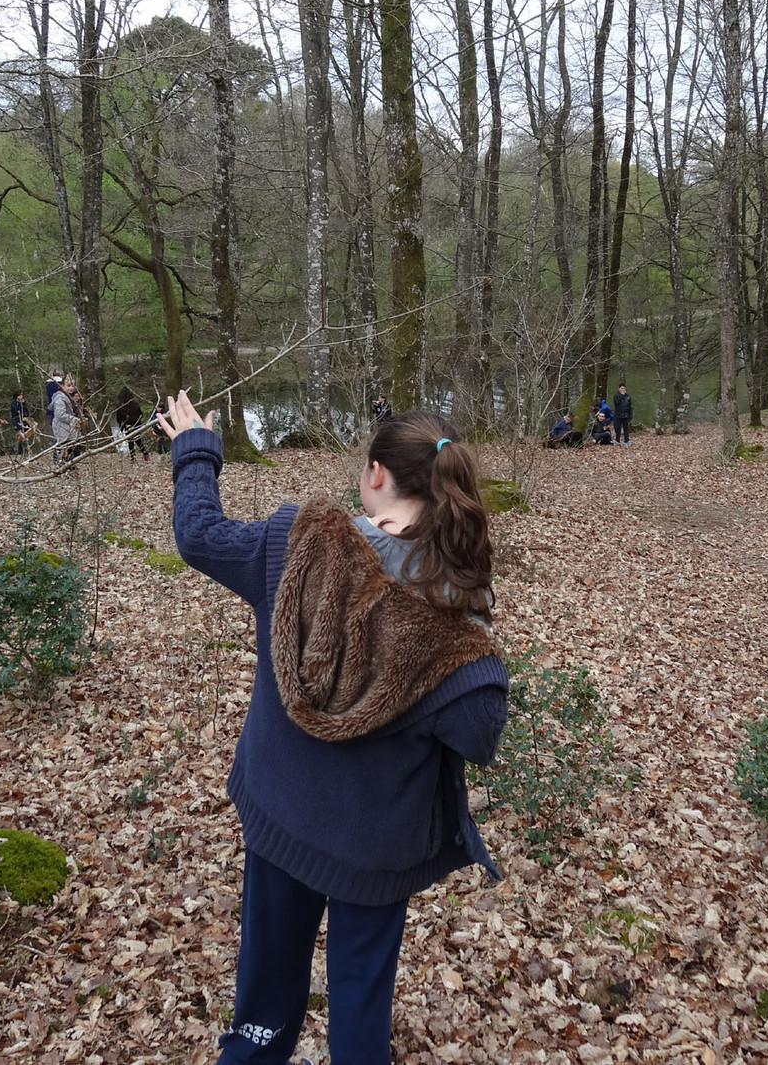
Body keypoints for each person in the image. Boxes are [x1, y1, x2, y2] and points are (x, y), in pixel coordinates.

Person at [157, 398, 507, 1062]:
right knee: (359, 1016)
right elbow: (479, 731)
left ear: (374, 473)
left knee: (262, 1005)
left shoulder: (295, 544)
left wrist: (197, 449)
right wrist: (474, 609)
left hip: (282, 817)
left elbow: (199, 533)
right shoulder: (452, 619)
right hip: (375, 851)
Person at [50, 375, 81, 460]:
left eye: (72, 385)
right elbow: (60, 415)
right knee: (63, 454)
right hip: (62, 430)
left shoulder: (69, 398)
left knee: (72, 453)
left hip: (68, 430)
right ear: (62, 386)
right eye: (68, 385)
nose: (71, 388)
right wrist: (75, 420)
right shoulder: (60, 399)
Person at [115, 385, 144, 457]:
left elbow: (118, 418)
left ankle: (133, 456)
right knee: (138, 440)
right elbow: (141, 414)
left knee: (130, 441)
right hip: (136, 424)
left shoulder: (121, 406)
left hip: (127, 425)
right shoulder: (135, 404)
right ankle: (145, 454)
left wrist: (121, 425)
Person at [10, 389, 31, 457]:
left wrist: (24, 404)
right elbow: (15, 411)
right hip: (17, 420)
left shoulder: (24, 402)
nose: (21, 396)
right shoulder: (14, 403)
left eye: (22, 395)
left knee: (26, 433)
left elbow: (26, 411)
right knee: (20, 434)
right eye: (19, 395)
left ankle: (27, 449)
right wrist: (19, 404)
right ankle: (20, 451)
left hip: (24, 420)